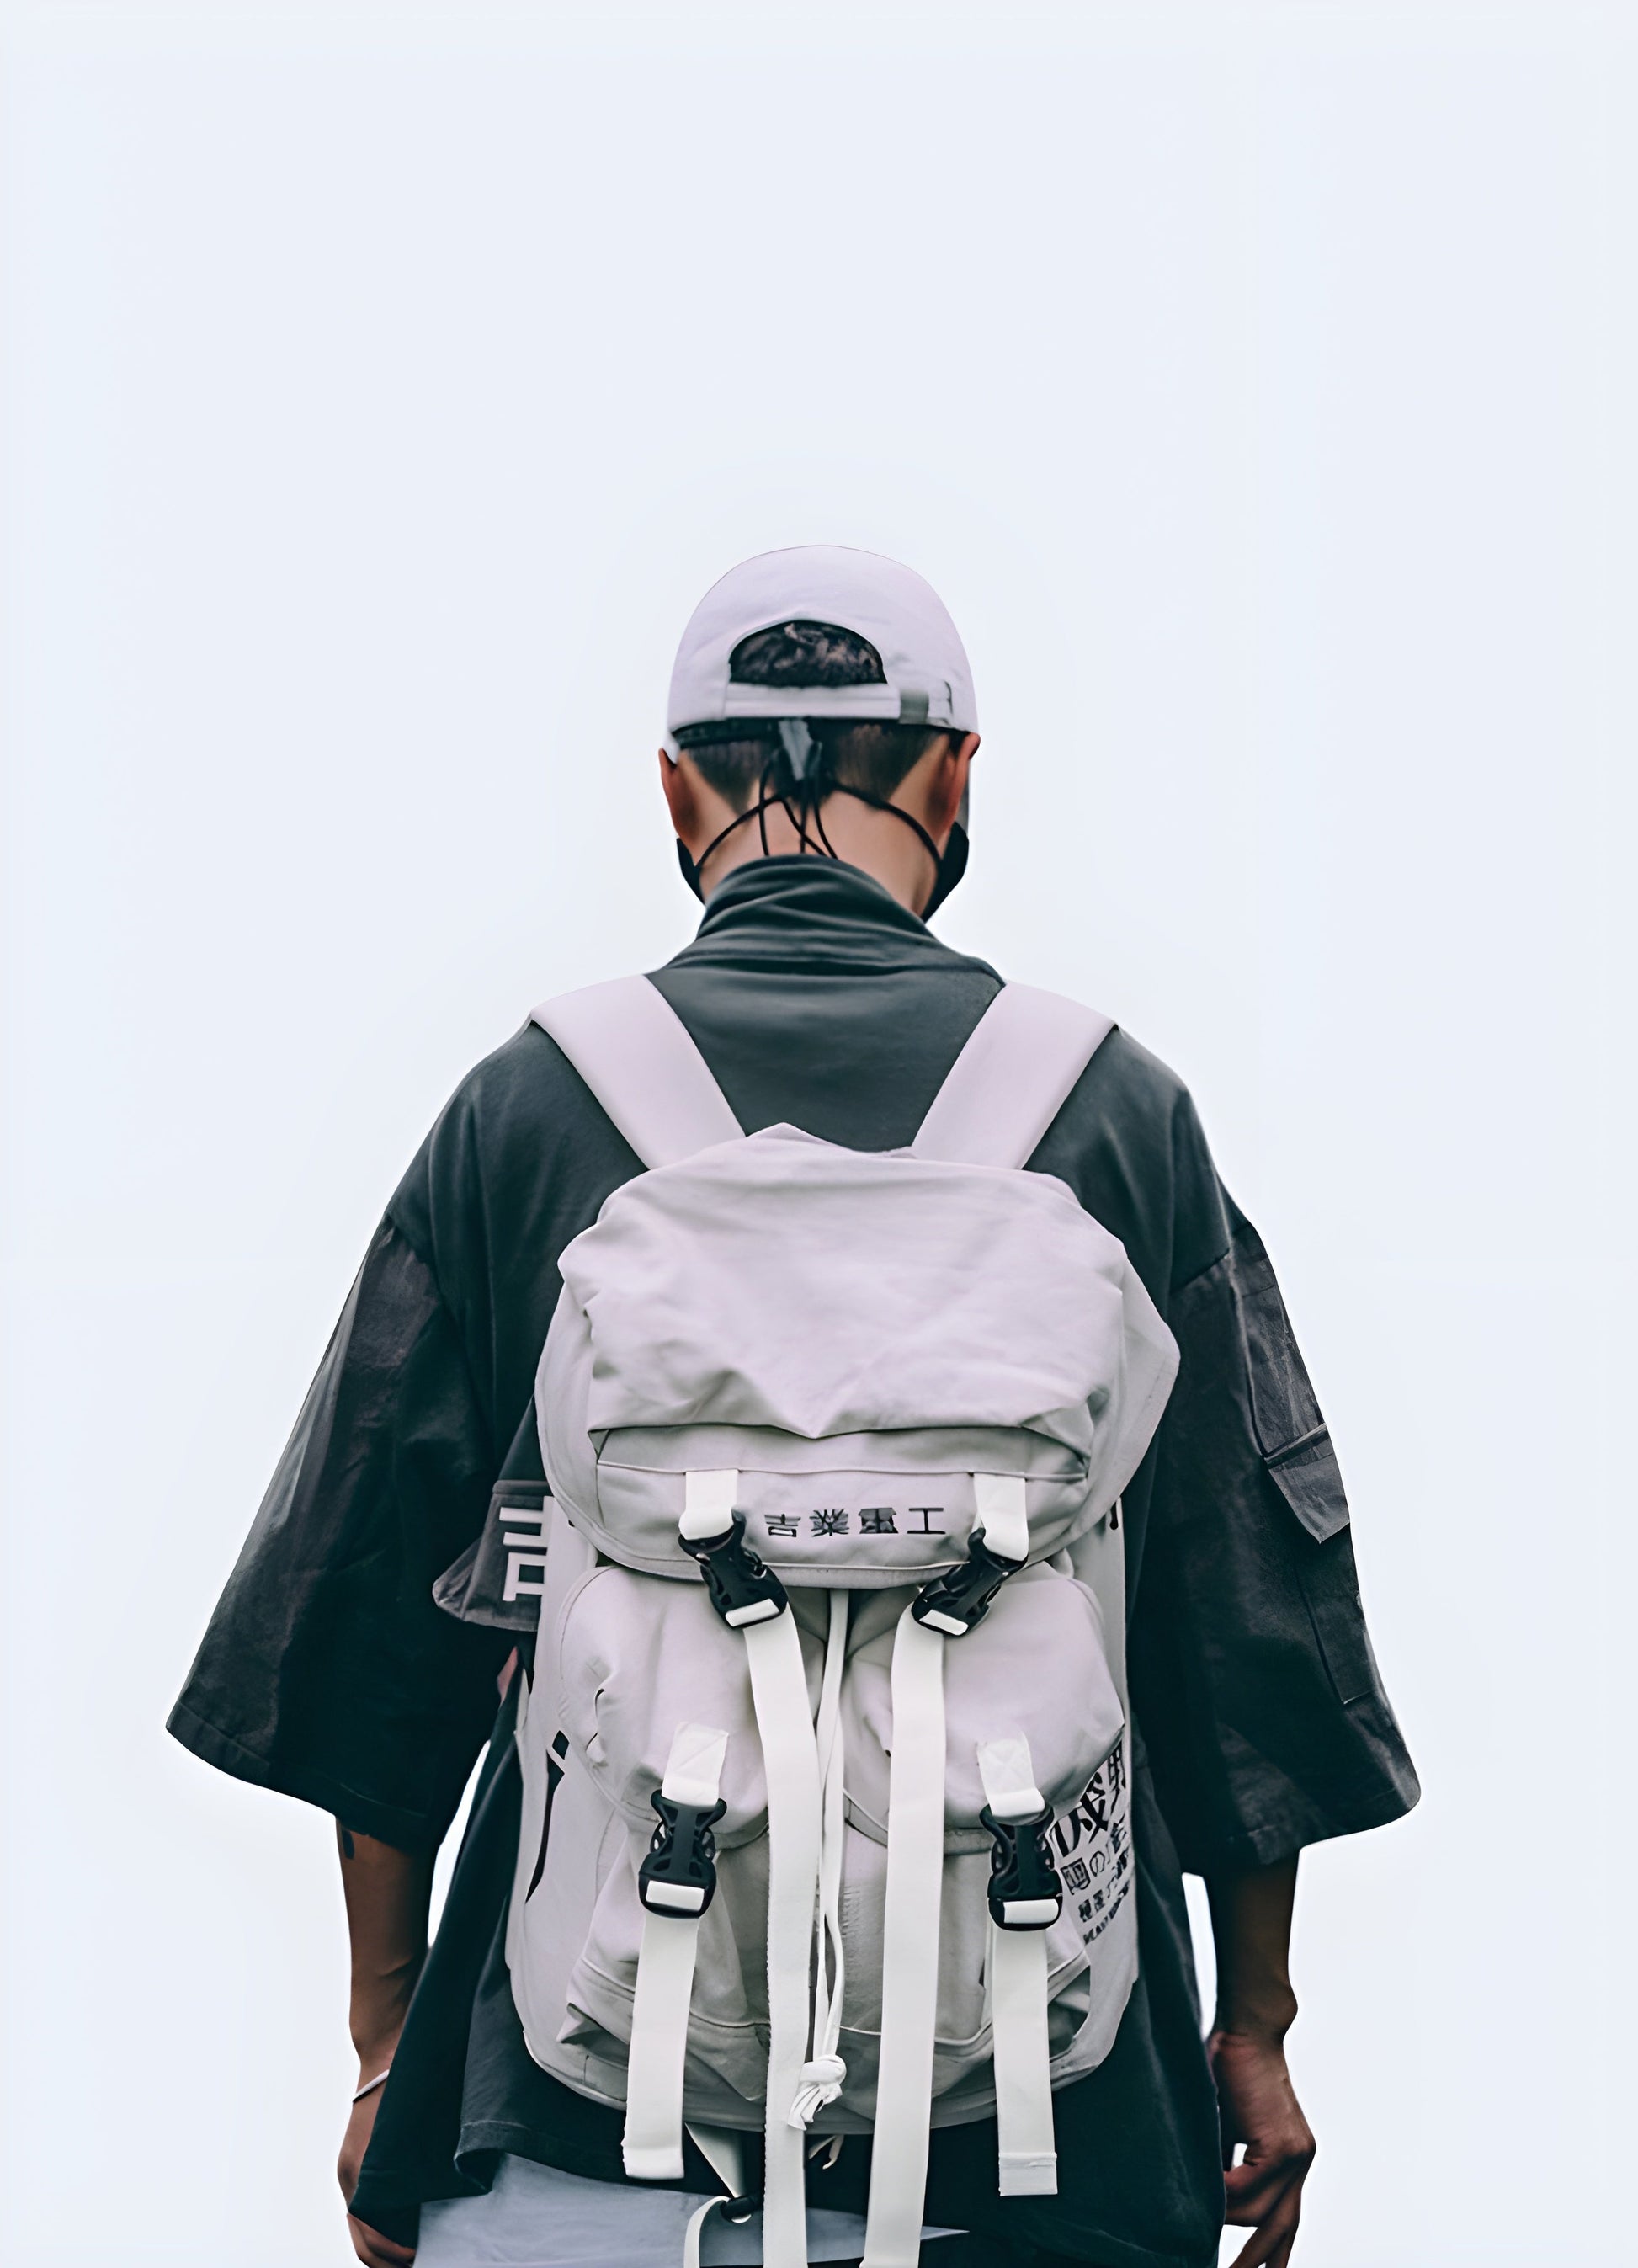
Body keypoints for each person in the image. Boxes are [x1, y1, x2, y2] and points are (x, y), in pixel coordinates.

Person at [169, 546, 1418, 2268]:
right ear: (956, 776)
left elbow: (371, 1634)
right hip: (1053, 2137)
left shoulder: (526, 1113)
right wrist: (1256, 2034)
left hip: (579, 2135)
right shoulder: (1119, 1118)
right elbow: (1246, 1637)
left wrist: (393, 2058)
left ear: (677, 788)